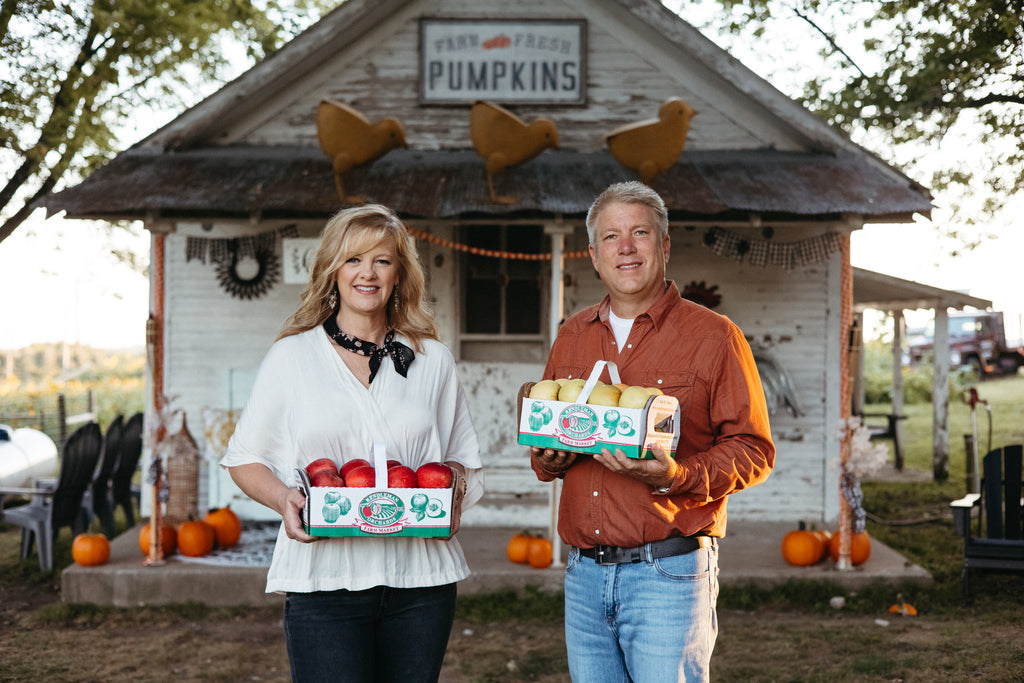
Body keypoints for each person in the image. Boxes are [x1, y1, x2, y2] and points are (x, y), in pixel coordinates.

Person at [222, 204, 484, 683]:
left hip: (419, 583)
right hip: (325, 580)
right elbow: (245, 459)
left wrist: (453, 500)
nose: (368, 273)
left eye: (382, 260)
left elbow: (459, 460)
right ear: (332, 272)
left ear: (399, 274)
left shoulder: (433, 361)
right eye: (353, 260)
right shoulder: (292, 357)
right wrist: (286, 500)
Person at [530, 181, 775, 682]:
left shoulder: (713, 336)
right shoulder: (572, 335)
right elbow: (551, 436)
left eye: (639, 232)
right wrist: (548, 458)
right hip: (583, 575)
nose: (625, 247)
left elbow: (753, 450)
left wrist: (675, 474)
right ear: (594, 255)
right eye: (611, 236)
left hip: (668, 572)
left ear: (663, 246)